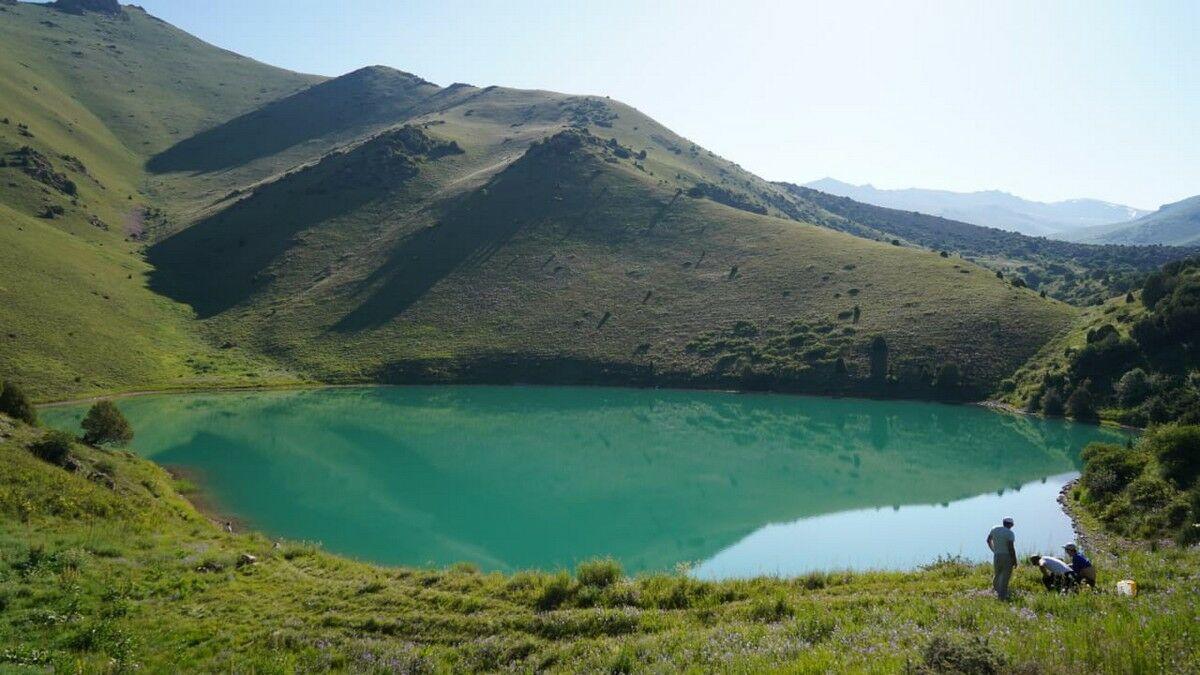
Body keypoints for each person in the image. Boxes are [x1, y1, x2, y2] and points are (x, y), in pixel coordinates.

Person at [986, 517, 1016, 600]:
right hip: (1007, 557)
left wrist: (994, 550)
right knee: (1005, 576)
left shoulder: (994, 529)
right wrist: (1014, 560)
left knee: (997, 574)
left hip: (997, 555)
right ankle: (1002, 597)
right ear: (1010, 524)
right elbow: (1011, 548)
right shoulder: (1010, 533)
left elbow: (988, 540)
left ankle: (996, 591)